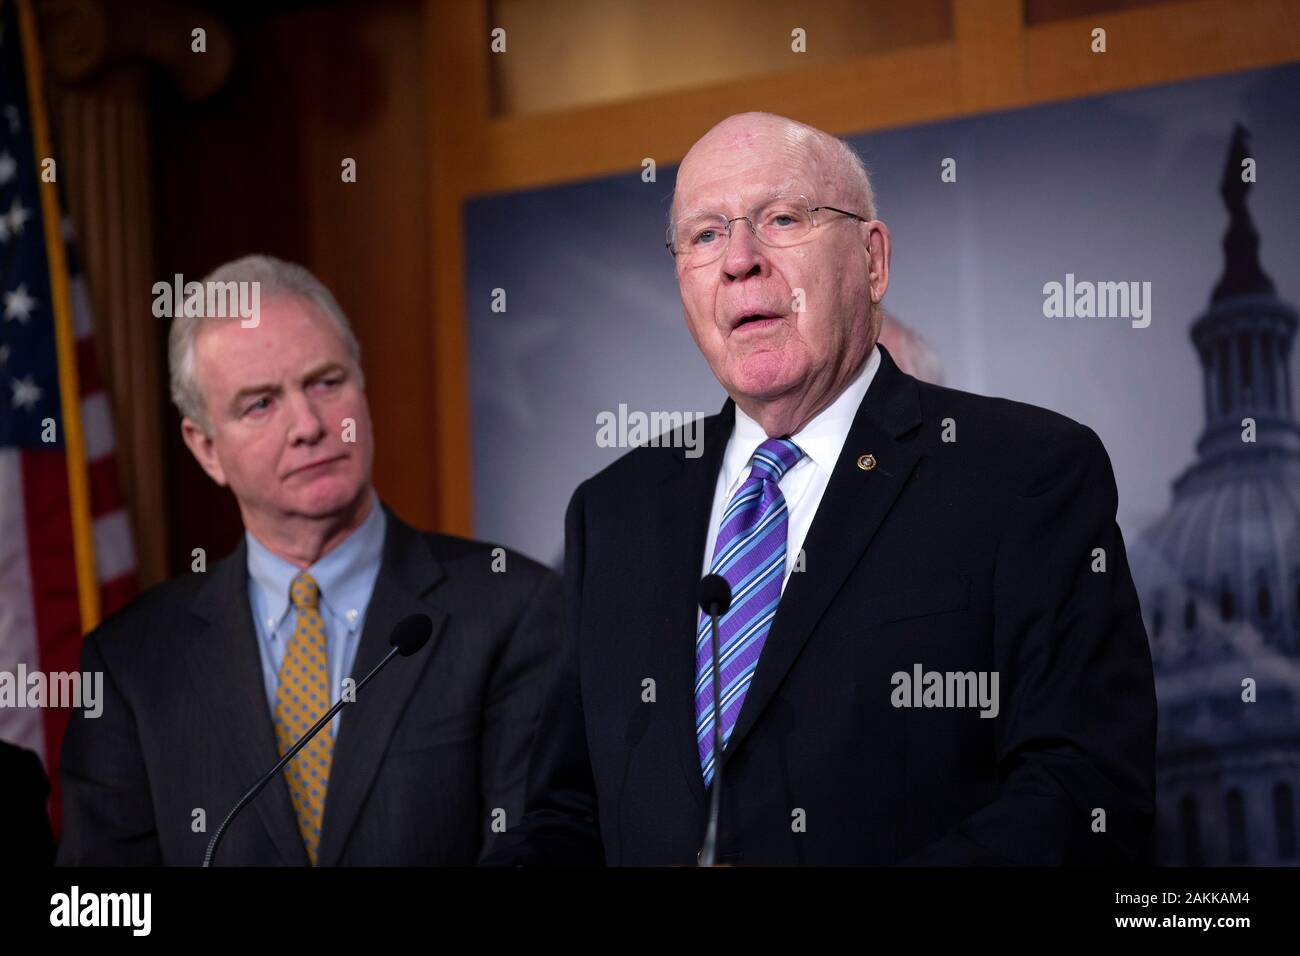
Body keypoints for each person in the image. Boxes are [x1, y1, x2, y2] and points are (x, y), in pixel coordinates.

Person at [488, 112, 1156, 866]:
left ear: (873, 261)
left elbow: (1085, 790)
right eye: (705, 235)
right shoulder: (613, 514)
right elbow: (562, 815)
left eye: (782, 218)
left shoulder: (1025, 472)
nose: (739, 260)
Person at [58, 255, 561, 865]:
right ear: (206, 448)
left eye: (326, 382)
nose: (308, 425)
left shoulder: (514, 607)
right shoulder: (130, 662)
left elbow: (536, 854)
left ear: (363, 386)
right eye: (260, 403)